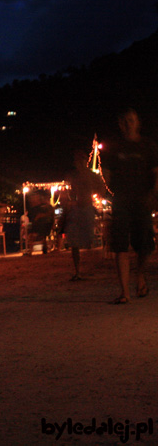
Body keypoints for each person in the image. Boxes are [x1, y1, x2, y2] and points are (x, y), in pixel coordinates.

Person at [103, 109, 158, 304]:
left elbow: (156, 172)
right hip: (121, 201)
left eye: (132, 120)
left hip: (143, 200)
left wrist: (153, 194)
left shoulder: (148, 146)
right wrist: (112, 192)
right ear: (120, 124)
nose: (128, 124)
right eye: (125, 121)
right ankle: (124, 292)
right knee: (120, 245)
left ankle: (140, 274)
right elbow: (106, 174)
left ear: (138, 123)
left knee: (145, 245)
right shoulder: (113, 147)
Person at [65, 150, 102, 281]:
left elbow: (101, 188)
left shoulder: (90, 175)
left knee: (88, 240)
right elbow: (70, 192)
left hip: (86, 207)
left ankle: (87, 269)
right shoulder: (75, 176)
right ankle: (78, 271)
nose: (78, 163)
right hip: (77, 208)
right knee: (75, 242)